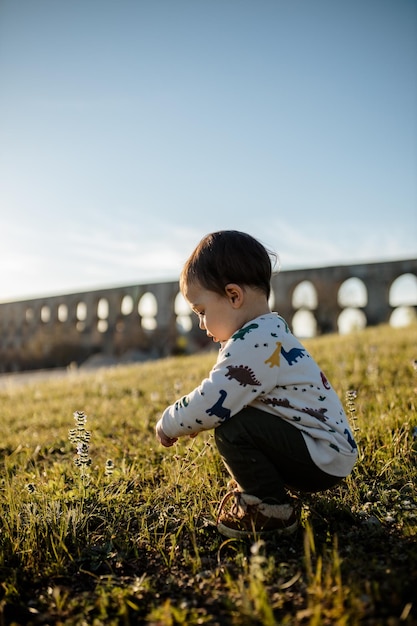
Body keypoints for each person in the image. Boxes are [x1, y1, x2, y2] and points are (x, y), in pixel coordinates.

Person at [155, 230, 358, 538]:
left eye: (202, 311)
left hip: (321, 457)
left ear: (234, 296)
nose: (200, 323)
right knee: (238, 418)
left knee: (233, 428)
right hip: (326, 451)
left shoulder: (254, 342)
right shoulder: (268, 332)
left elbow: (213, 401)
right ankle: (265, 488)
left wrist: (171, 421)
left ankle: (270, 508)